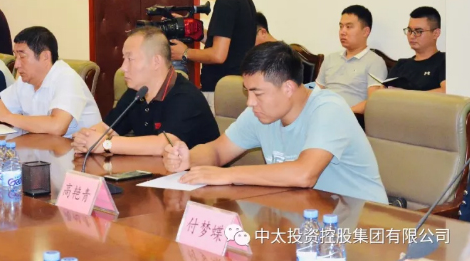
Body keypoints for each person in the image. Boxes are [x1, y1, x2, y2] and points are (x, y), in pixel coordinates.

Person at [162, 42, 388, 204]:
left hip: (363, 223)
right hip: (304, 214)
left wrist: (229, 175)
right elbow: (218, 151)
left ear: (288, 87)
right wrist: (188, 158)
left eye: (258, 93)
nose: (250, 102)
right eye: (247, 91)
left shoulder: (329, 109)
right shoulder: (260, 112)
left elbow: (304, 174)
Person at [71, 27, 219, 156]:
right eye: (124, 59)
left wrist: (105, 144)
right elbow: (106, 128)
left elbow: (164, 145)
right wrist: (85, 138)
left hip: (197, 177)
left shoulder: (185, 97)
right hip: (153, 173)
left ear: (156, 62)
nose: (123, 68)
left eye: (130, 59)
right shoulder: (137, 92)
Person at [0, 26, 101, 138]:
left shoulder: (66, 78)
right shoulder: (25, 80)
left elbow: (57, 126)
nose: (16, 64)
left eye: (22, 56)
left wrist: (9, 117)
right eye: (15, 56)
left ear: (45, 56)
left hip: (81, 157)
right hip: (45, 150)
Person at [169, 0, 257, 113]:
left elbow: (218, 55)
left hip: (220, 91)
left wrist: (185, 53)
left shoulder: (226, 2)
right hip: (235, 88)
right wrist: (195, 32)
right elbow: (231, 43)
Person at [315, 5, 387, 114]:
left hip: (349, 118)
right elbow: (316, 93)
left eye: (348, 27)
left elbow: (373, 102)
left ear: (365, 32)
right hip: (322, 114)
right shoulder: (330, 58)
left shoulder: (375, 62)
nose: (342, 32)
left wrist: (343, 113)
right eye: (341, 26)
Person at [386, 6, 446, 92]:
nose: (411, 36)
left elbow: (447, 91)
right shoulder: (401, 65)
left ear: (436, 33)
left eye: (418, 31)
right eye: (409, 30)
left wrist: (407, 96)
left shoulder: (445, 61)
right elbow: (383, 93)